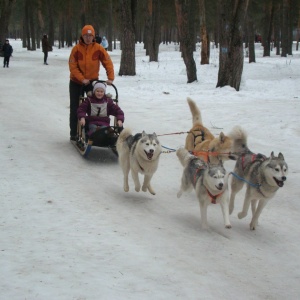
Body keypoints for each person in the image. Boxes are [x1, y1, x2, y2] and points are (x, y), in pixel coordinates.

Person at [68, 25, 114, 141]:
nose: (88, 38)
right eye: (85, 35)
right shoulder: (76, 49)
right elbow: (72, 66)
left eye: (90, 35)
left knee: (94, 106)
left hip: (91, 82)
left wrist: (110, 77)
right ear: (82, 36)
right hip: (76, 82)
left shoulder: (98, 48)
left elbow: (107, 62)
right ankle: (74, 132)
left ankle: (92, 130)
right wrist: (82, 79)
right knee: (75, 108)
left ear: (93, 36)